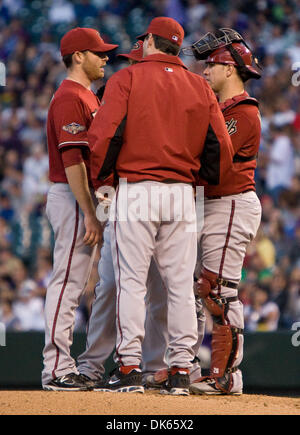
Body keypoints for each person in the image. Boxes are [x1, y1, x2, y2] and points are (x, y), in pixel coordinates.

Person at [88, 17, 234, 395]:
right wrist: (196, 183)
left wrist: (104, 182)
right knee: (181, 287)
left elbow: (102, 137)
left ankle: (129, 367)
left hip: (136, 189)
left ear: (150, 41)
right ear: (178, 47)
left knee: (132, 282)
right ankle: (182, 369)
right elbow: (222, 149)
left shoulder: (126, 79)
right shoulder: (200, 85)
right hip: (183, 195)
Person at [183, 28, 263, 395]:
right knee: (203, 289)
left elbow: (215, 163)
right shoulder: (222, 109)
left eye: (212, 65)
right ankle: (196, 367)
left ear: (231, 70)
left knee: (218, 291)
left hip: (230, 202)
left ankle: (227, 375)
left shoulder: (243, 112)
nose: (205, 71)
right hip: (213, 204)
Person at [42, 27, 118, 391]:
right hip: (73, 195)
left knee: (77, 284)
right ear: (77, 56)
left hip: (82, 197)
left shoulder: (86, 95)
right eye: (98, 52)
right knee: (68, 283)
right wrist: (90, 212)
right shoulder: (71, 97)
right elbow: (73, 161)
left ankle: (68, 366)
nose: (105, 57)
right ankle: (56, 368)